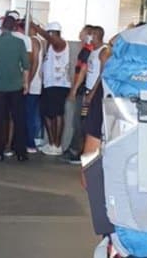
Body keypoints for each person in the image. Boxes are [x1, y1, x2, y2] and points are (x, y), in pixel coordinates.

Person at [0, 15, 30, 161]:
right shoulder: (20, 43)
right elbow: (26, 66)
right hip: (16, 86)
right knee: (19, 119)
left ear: (2, 27)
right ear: (14, 27)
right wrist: (26, 83)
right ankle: (21, 152)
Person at [33, 21, 71, 156]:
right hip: (49, 85)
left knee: (57, 114)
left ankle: (57, 144)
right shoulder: (49, 47)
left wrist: (36, 27)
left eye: (49, 34)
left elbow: (52, 39)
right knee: (47, 113)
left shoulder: (60, 44)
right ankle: (51, 143)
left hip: (59, 84)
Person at [60, 25, 95, 164]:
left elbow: (83, 71)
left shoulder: (89, 50)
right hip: (80, 89)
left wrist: (74, 89)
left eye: (83, 32)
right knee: (77, 121)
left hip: (83, 90)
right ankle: (74, 149)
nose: (79, 33)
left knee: (79, 122)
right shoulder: (85, 49)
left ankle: (77, 151)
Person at [80, 26, 110, 161]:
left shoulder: (103, 52)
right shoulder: (92, 50)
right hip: (87, 89)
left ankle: (89, 153)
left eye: (91, 35)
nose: (89, 37)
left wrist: (93, 93)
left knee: (90, 123)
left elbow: (102, 74)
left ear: (97, 36)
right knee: (83, 120)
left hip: (94, 92)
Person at [25, 21, 43, 154]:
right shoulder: (39, 41)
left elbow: (34, 62)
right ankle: (33, 140)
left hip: (33, 83)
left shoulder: (33, 41)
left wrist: (28, 81)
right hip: (36, 83)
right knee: (33, 114)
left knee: (29, 114)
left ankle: (30, 143)